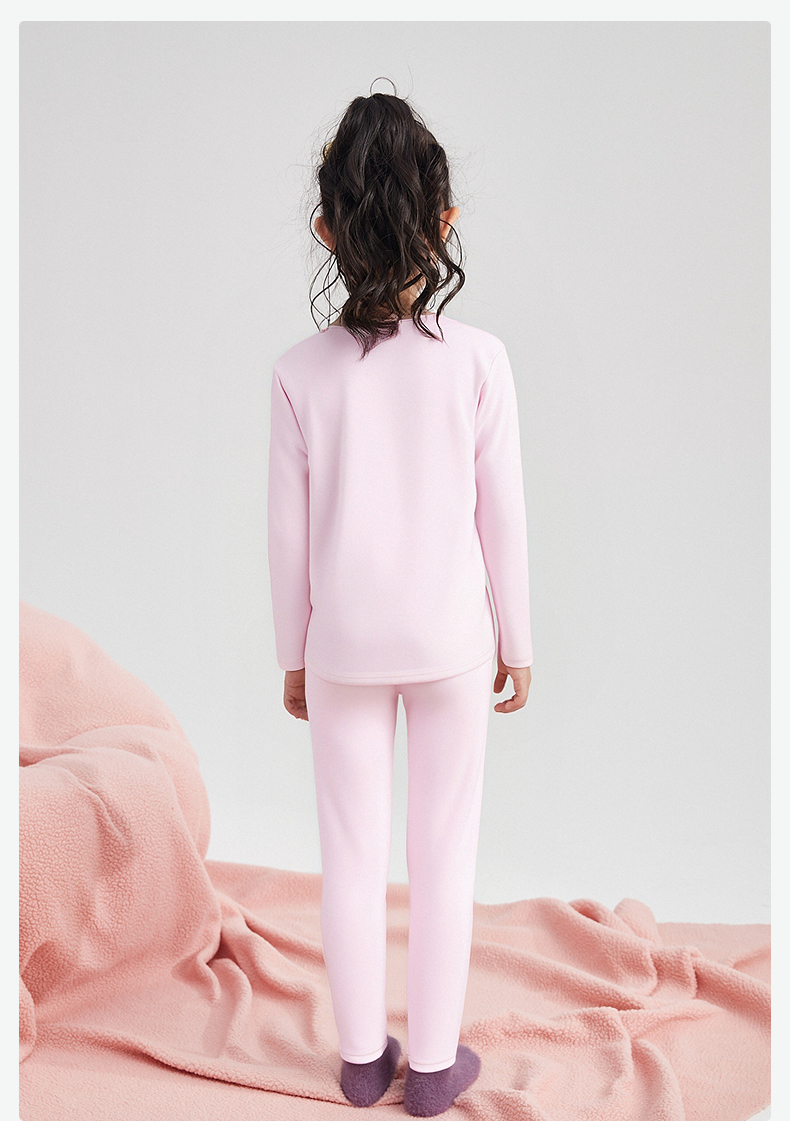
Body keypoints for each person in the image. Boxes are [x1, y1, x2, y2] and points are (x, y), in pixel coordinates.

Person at [267, 82, 533, 1117]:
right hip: (451, 639)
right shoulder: (480, 362)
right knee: (443, 850)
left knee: (348, 851)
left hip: (341, 644)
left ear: (326, 229)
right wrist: (518, 637)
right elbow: (502, 514)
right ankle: (429, 1068)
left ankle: (358, 1060)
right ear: (445, 220)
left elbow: (287, 535)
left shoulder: (297, 373)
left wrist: (293, 653)